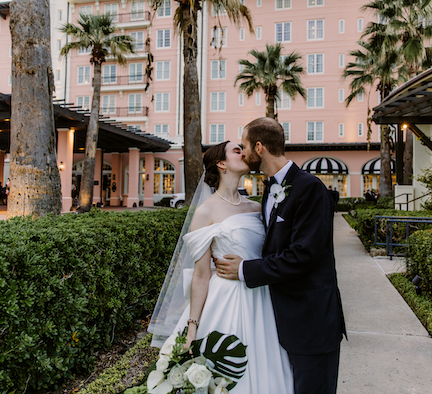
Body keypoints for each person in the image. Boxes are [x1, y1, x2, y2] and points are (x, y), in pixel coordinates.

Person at [148, 141, 294, 394]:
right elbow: (202, 274)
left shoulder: (257, 207)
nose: (244, 153)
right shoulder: (206, 212)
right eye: (237, 150)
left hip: (262, 298)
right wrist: (192, 325)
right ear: (221, 163)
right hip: (226, 298)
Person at [214, 117, 346, 394]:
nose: (244, 152)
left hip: (312, 320)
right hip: (283, 318)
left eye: (245, 146)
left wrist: (245, 270)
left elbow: (303, 255)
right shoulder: (269, 190)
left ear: (259, 147)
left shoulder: (310, 188)